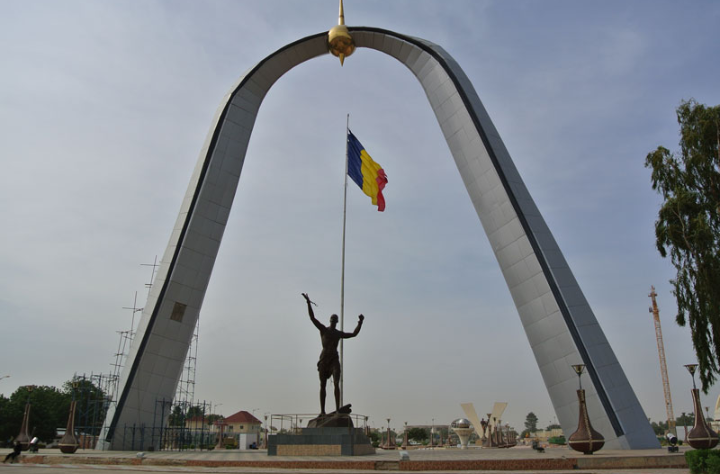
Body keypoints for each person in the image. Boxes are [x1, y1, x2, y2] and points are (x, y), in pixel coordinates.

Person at [302, 293, 364, 416]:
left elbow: (353, 334)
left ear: (337, 322)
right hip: (324, 359)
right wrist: (308, 303)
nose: (334, 323)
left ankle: (337, 410)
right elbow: (312, 318)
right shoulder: (323, 330)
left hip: (334, 359)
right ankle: (322, 411)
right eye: (333, 321)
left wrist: (360, 322)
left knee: (336, 382)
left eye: (336, 322)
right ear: (330, 321)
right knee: (322, 385)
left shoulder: (337, 333)